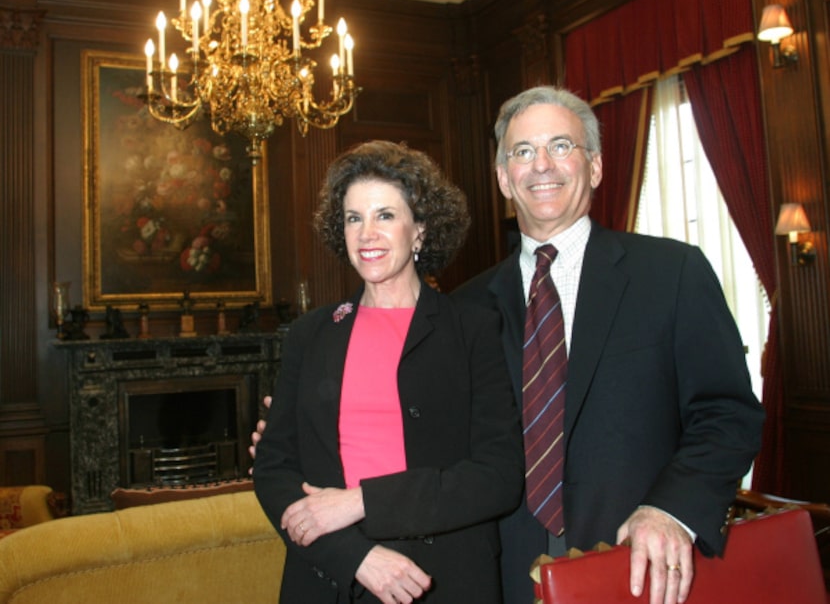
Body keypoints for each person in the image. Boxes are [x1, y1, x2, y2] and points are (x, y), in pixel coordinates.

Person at [452, 85, 765, 604]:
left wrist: (672, 509)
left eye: (561, 146)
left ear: (594, 167)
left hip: (634, 568)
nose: (542, 165)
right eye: (522, 152)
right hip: (498, 575)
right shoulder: (465, 308)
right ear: (504, 179)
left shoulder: (672, 273)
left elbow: (729, 413)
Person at [252, 140, 524, 604]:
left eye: (385, 216)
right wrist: (356, 558)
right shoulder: (309, 333)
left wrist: (362, 501)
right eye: (354, 218)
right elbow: (274, 467)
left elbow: (498, 476)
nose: (366, 234)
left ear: (420, 229)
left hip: (445, 579)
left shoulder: (473, 328)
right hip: (330, 576)